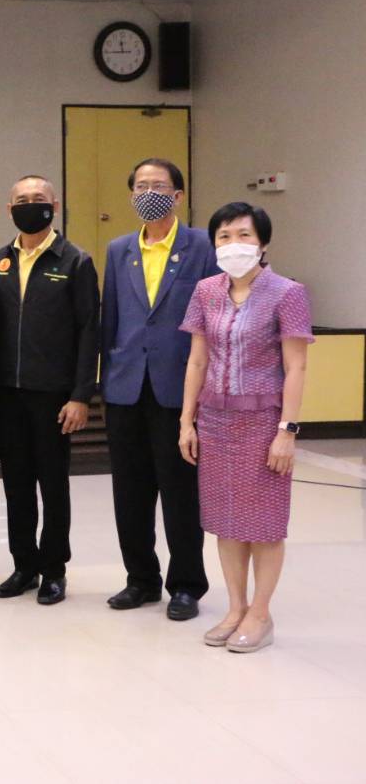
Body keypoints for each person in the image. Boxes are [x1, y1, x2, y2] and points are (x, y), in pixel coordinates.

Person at [178, 203, 312, 653]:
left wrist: (287, 431)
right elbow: (197, 360)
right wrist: (187, 421)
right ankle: (235, 608)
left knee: (265, 523)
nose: (233, 244)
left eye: (243, 235)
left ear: (263, 242)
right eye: (224, 236)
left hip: (263, 423)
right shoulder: (205, 291)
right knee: (226, 521)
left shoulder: (287, 293)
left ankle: (260, 613)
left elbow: (296, 367)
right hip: (215, 421)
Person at [100, 158, 219, 621]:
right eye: (141, 186)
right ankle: (140, 579)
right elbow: (112, 317)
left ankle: (186, 585)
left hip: (179, 387)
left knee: (180, 492)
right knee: (129, 493)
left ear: (178, 195)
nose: (149, 192)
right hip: (126, 386)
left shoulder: (202, 246)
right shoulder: (119, 249)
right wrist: (104, 378)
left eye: (159, 185)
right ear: (131, 194)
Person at [0, 176, 99, 606]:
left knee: (52, 484)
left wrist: (80, 395)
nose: (30, 205)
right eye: (21, 200)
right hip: (7, 392)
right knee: (16, 483)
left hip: (53, 395)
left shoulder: (75, 261)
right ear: (8, 208)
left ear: (55, 205)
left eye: (38, 199)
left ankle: (53, 570)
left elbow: (89, 331)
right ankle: (23, 566)